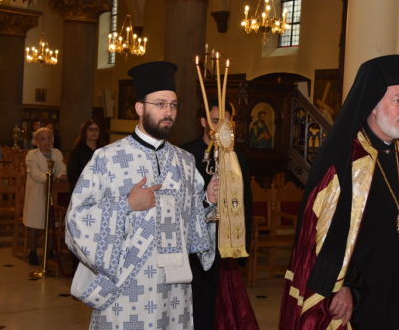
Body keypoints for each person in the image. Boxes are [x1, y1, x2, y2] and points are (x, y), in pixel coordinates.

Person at [278, 55, 399, 330]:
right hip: (364, 298)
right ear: (372, 105)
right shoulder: (347, 161)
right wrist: (342, 286)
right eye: (397, 100)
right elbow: (322, 237)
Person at [66, 61, 219, 330]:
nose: (168, 112)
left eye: (173, 105)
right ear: (139, 108)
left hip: (174, 292)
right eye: (160, 104)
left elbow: (194, 227)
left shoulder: (185, 162)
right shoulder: (107, 158)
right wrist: (126, 205)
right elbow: (76, 220)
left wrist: (207, 200)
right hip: (126, 289)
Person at [181, 99, 258, 330]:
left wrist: (242, 247)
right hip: (194, 243)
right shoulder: (185, 154)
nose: (219, 128)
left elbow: (245, 201)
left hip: (224, 242)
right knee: (197, 303)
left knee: (222, 306)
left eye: (225, 123)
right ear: (203, 122)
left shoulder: (236, 156)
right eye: (215, 121)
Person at [23, 127, 67, 265]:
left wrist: (62, 175)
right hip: (36, 193)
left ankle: (50, 250)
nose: (46, 141)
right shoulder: (32, 155)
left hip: (54, 192)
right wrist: (49, 178)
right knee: (35, 224)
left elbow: (60, 167)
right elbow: (35, 173)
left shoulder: (57, 153)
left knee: (52, 222)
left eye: (49, 138)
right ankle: (33, 252)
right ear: (36, 141)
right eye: (42, 139)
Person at [67, 119, 105, 195]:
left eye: (96, 129)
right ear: (84, 132)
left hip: (99, 191)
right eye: (90, 129)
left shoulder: (104, 150)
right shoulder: (77, 151)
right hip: (81, 191)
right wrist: (86, 186)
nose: (94, 132)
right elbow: (72, 174)